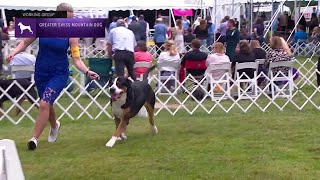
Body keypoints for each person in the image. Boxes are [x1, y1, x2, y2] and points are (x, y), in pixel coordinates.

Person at [6, 3, 100, 150]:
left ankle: (34, 138)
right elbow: (25, 42)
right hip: (41, 72)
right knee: (47, 102)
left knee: (44, 104)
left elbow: (76, 59)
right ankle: (55, 125)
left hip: (59, 73)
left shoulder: (72, 35)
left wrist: (87, 71)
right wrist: (14, 52)